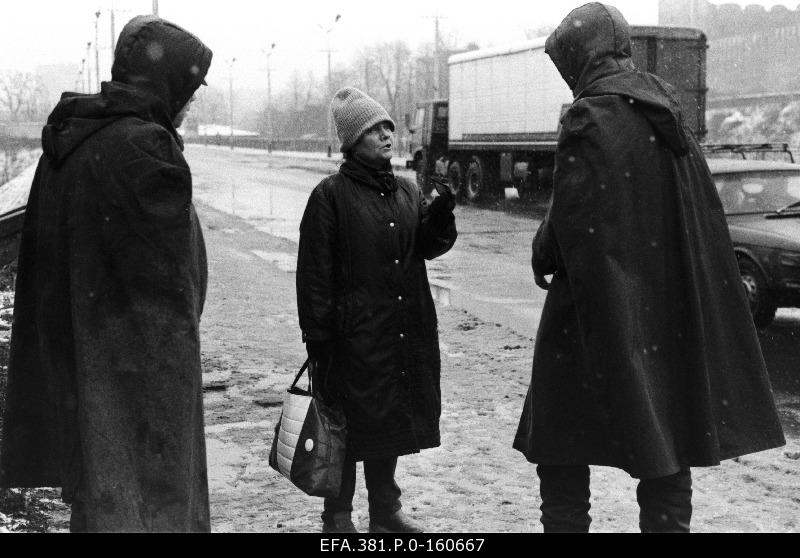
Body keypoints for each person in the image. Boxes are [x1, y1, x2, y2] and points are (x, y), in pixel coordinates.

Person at [513, 2, 786, 533]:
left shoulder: (589, 116)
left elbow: (571, 220)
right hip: (666, 309)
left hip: (592, 314)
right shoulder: (665, 113)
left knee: (561, 441)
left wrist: (543, 249)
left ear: (578, 57)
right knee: (667, 435)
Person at [0, 15, 213, 532]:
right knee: (154, 510)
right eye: (189, 87)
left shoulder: (73, 140)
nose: (190, 102)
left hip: (82, 373)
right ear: (164, 83)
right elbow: (169, 296)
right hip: (141, 388)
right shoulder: (145, 148)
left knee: (101, 502)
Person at [296, 87, 458, 533]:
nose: (387, 135)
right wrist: (321, 341)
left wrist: (441, 214)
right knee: (346, 430)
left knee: (388, 424)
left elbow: (428, 246)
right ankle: (338, 518)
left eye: (387, 125)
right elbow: (313, 276)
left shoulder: (406, 191)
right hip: (353, 340)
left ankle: (386, 513)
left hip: (401, 332)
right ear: (352, 141)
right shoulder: (330, 196)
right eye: (373, 129)